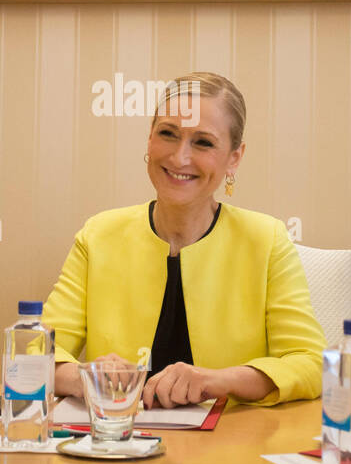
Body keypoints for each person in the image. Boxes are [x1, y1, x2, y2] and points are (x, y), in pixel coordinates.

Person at [43, 72, 325, 408]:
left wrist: (218, 380)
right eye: (168, 134)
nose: (180, 158)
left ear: (234, 157)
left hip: (230, 447)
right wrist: (84, 377)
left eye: (203, 142)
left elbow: (311, 363)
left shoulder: (267, 240)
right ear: (149, 140)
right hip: (116, 445)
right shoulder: (98, 235)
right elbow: (33, 353)